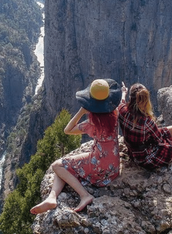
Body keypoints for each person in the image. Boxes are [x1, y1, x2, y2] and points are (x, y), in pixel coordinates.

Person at [30, 78, 122, 214]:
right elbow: (121, 103)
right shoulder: (116, 115)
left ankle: (84, 195)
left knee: (57, 166)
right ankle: (51, 197)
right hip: (113, 168)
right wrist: (123, 93)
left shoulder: (91, 125)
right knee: (65, 167)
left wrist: (81, 111)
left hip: (98, 166)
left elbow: (67, 130)